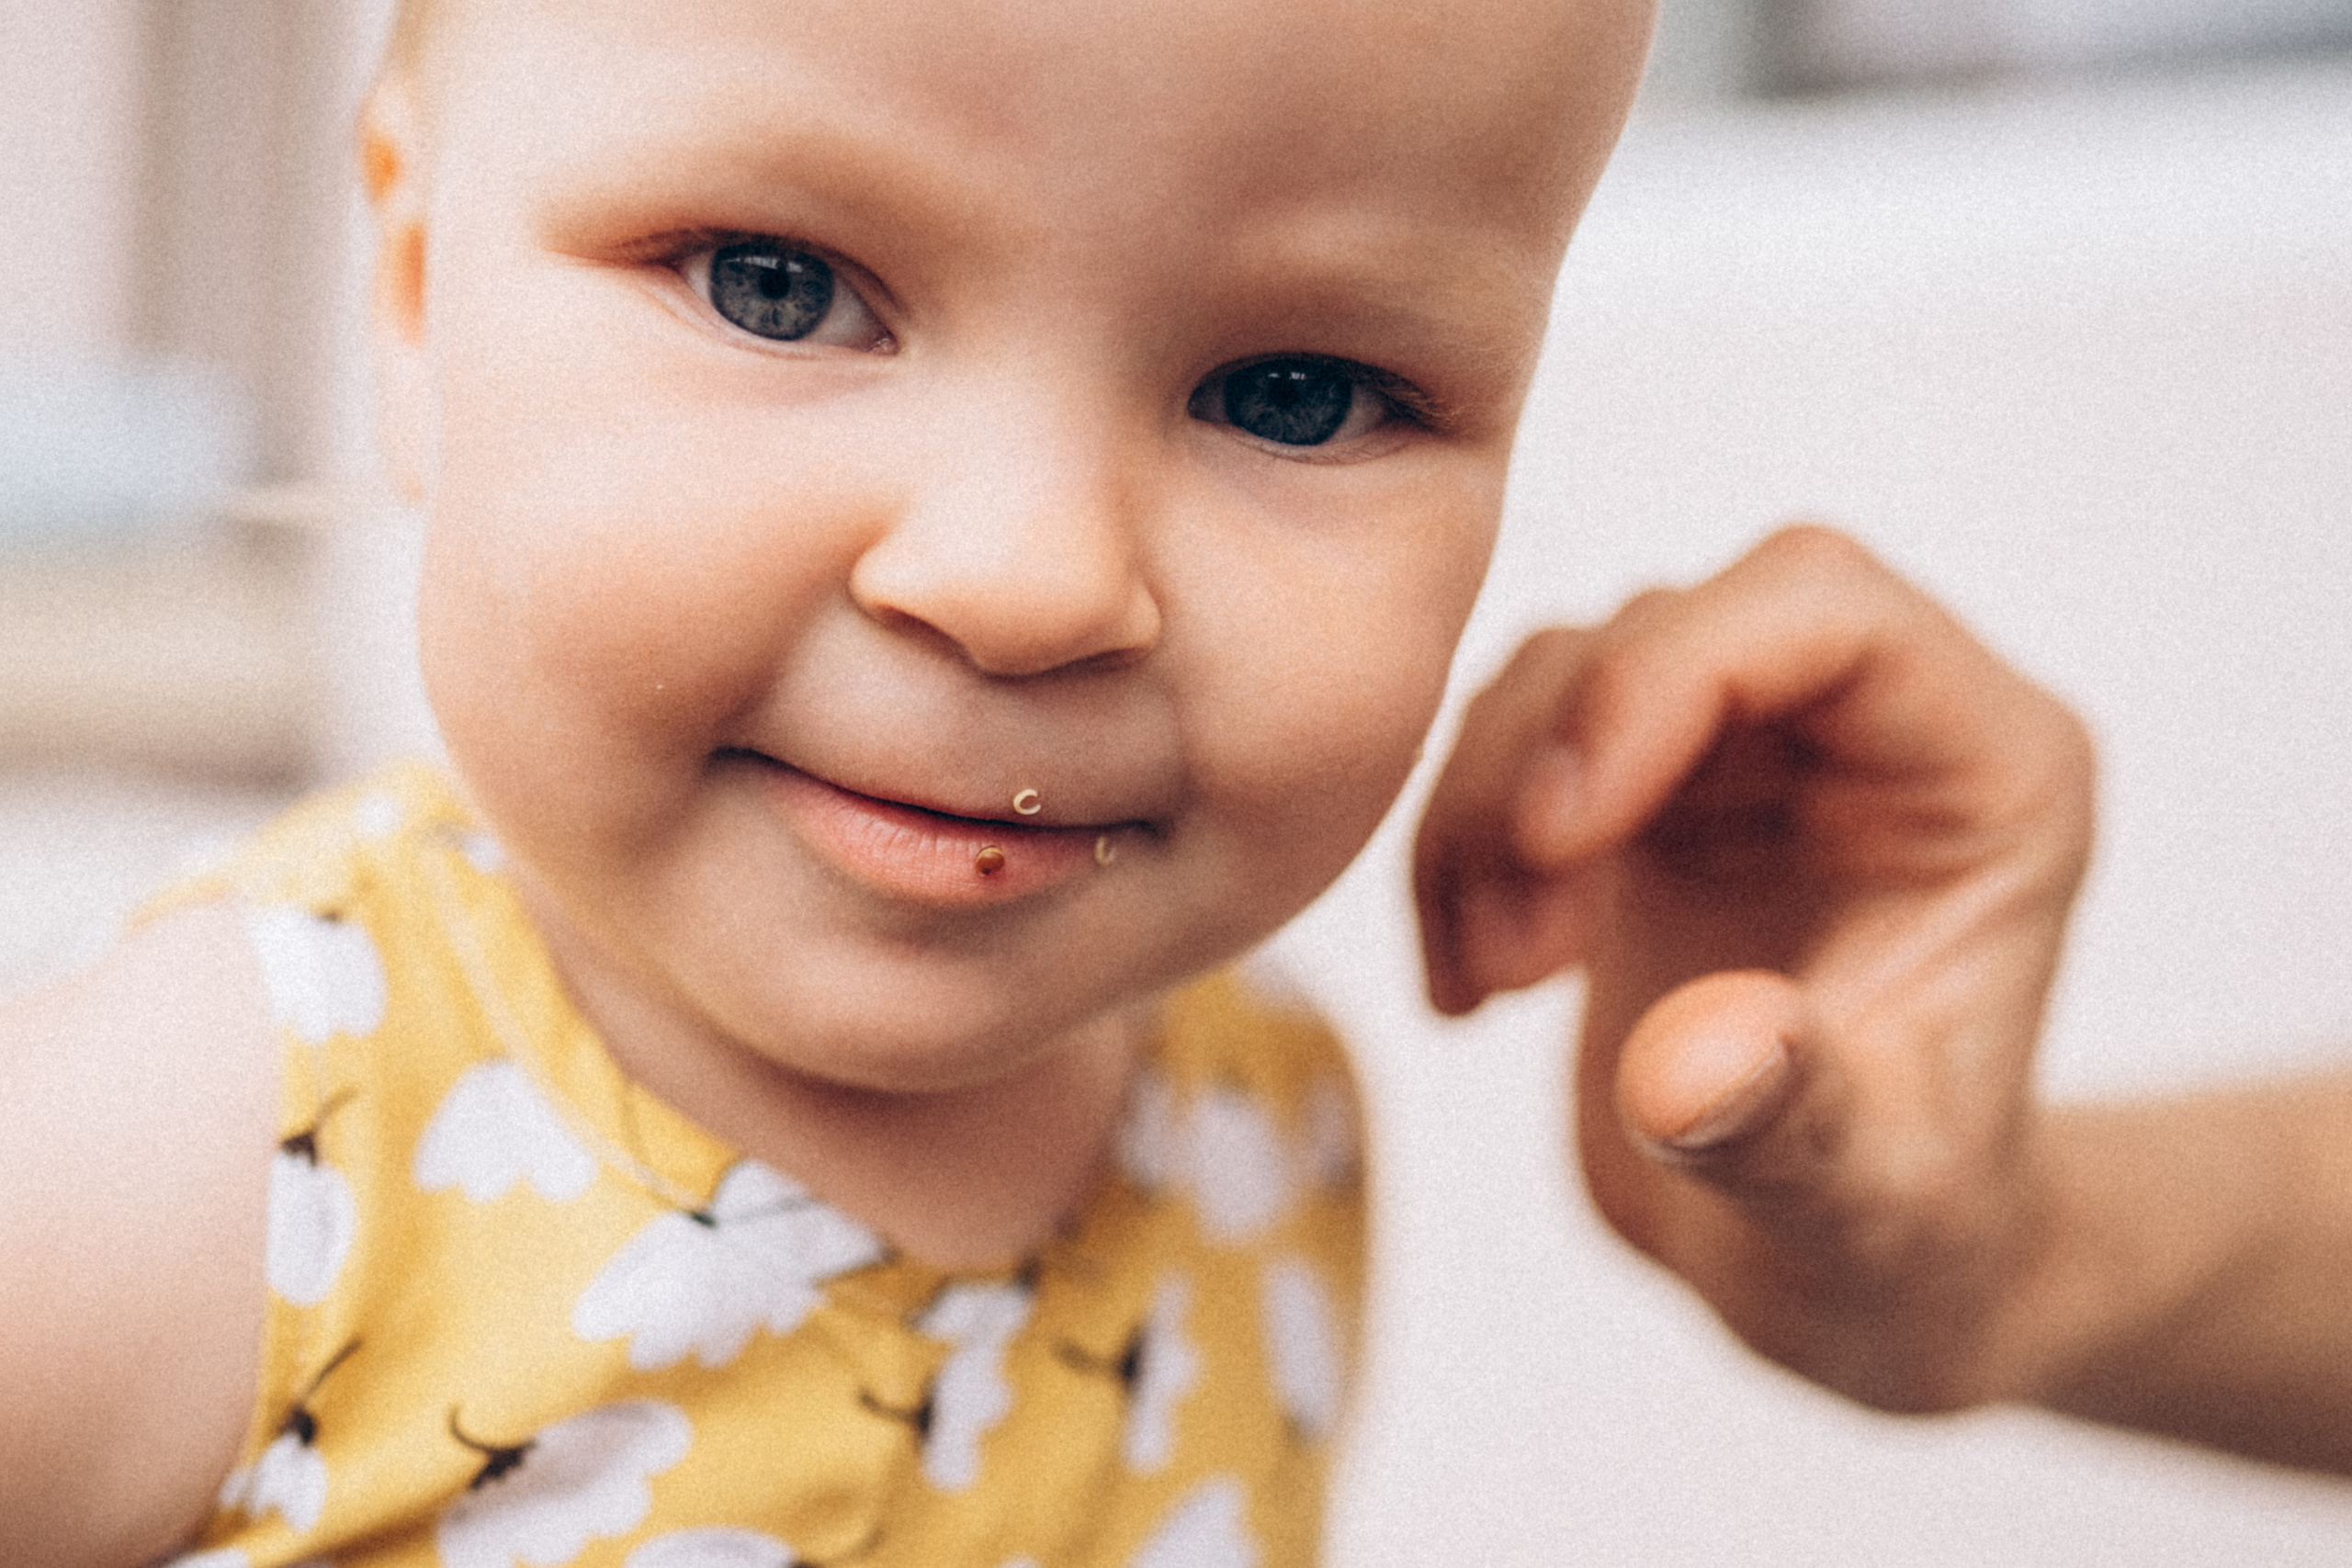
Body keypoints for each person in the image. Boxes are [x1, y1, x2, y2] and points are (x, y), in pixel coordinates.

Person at [0, 1, 1651, 1563]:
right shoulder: (188, 1164)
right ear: (418, 293)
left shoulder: (1266, 1123)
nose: (1030, 578)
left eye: (1296, 397)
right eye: (776, 288)